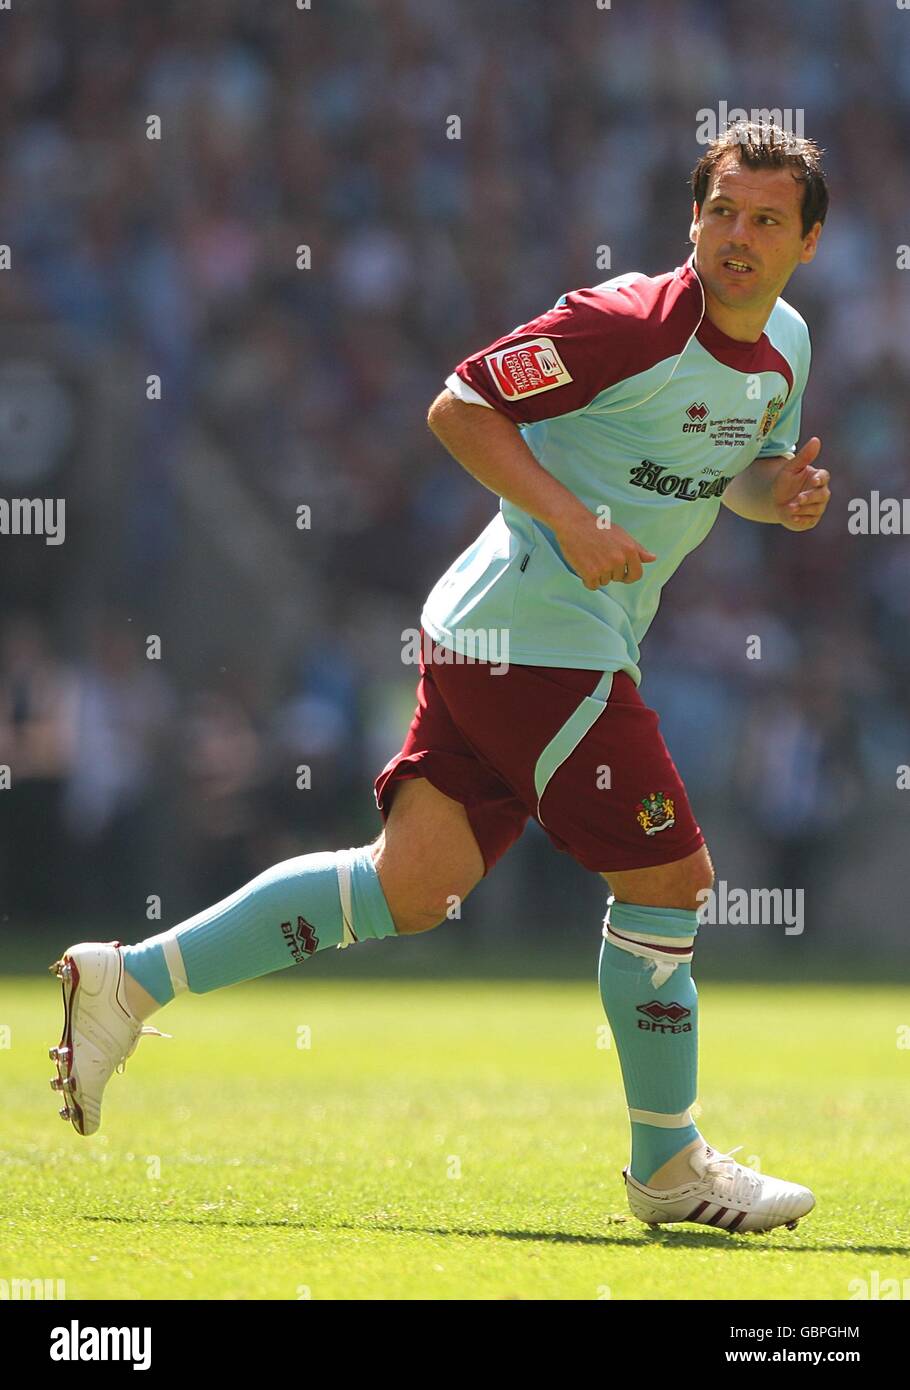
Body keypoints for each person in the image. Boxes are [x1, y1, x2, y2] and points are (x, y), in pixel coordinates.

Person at [49, 121, 831, 1234]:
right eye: (719, 211)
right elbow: (459, 404)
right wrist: (570, 518)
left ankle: (124, 980)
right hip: (537, 635)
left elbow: (743, 473)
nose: (736, 237)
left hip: (508, 633)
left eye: (764, 220)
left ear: (808, 242)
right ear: (688, 220)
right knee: (668, 881)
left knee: (408, 888)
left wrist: (780, 498)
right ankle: (668, 1166)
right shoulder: (625, 323)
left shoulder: (788, 346)